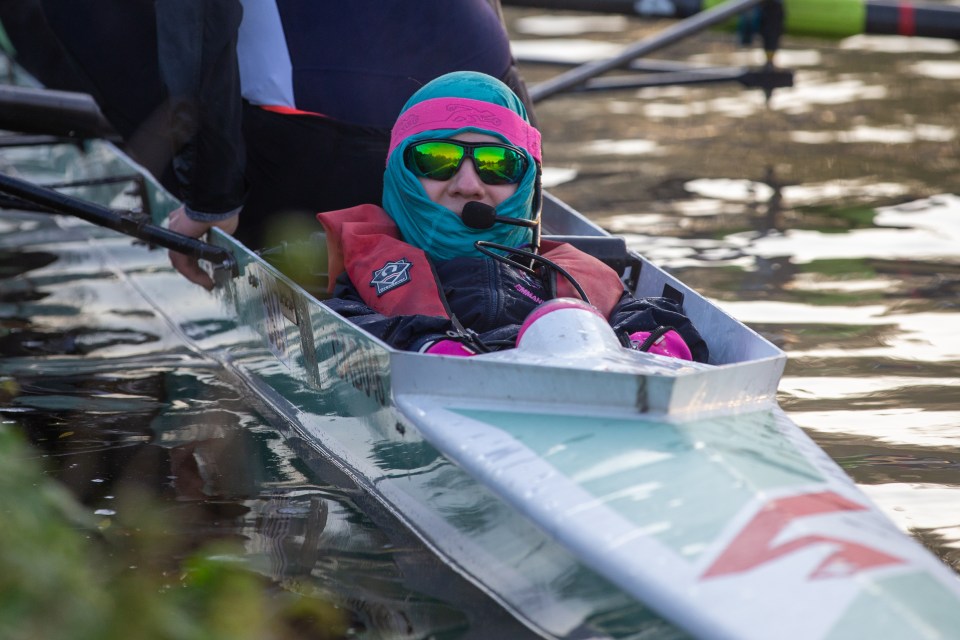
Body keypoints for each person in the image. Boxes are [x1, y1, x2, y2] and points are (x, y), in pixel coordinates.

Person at [12, 0, 534, 288]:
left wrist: (213, 194)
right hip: (505, 139)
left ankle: (177, 179)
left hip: (317, 156)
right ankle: (506, 230)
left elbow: (197, 18)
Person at [316, 72, 709, 362]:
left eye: (497, 163)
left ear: (527, 183)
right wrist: (425, 347)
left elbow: (645, 313)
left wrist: (654, 338)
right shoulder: (363, 283)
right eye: (436, 159)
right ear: (401, 175)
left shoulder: (568, 272)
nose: (467, 185)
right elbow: (344, 326)